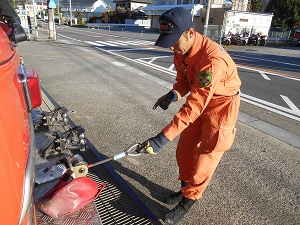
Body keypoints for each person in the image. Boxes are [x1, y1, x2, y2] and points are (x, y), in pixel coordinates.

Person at [136, 7, 241, 225]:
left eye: (175, 40)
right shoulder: (182, 51)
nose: (172, 47)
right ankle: (185, 188)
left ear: (190, 33)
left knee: (207, 156)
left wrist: (161, 138)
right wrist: (172, 94)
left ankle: (190, 198)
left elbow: (196, 105)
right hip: (200, 100)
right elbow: (184, 81)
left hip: (221, 106)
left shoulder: (212, 61)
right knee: (184, 149)